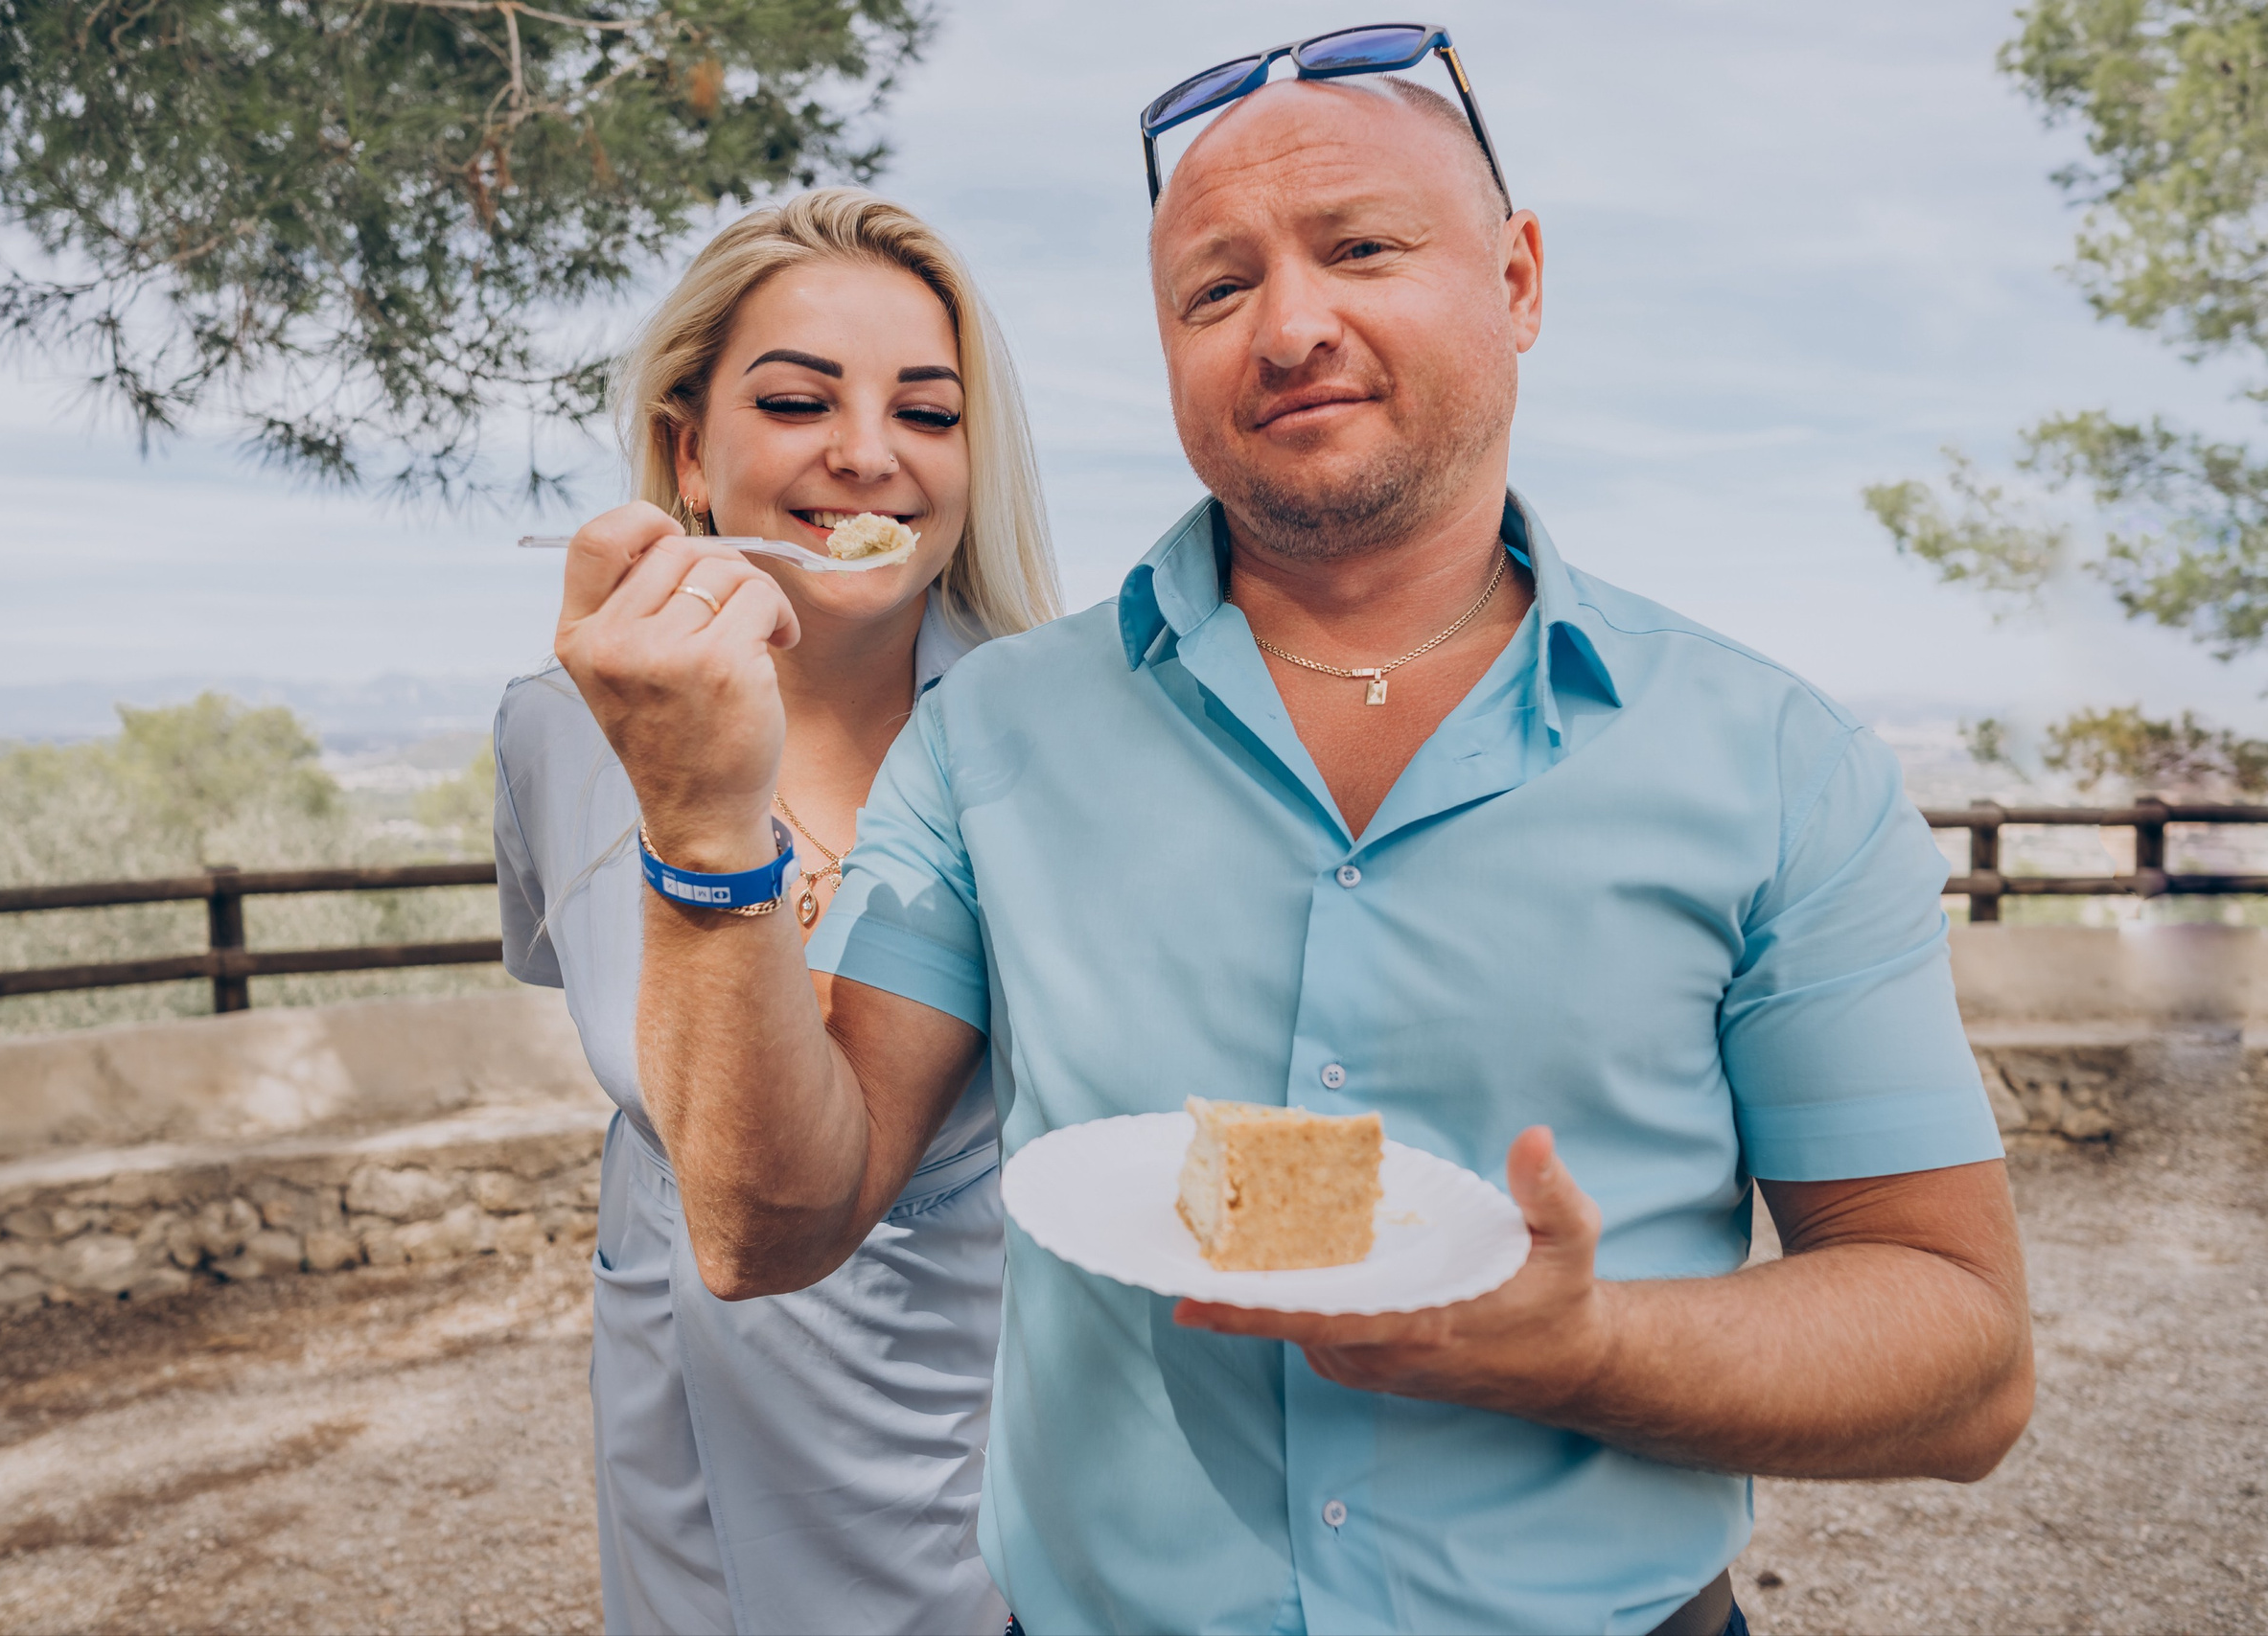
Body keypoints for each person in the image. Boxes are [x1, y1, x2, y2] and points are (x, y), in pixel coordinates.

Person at [553, 38, 2035, 1636]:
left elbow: (1965, 1361)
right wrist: (704, 819)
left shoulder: (1777, 766)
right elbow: (773, 1226)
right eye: (1213, 290)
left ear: (1519, 278)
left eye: (1362, 248)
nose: (1292, 323)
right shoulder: (988, 739)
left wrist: (1589, 1349)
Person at [492, 187, 1057, 1635]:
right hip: (695, 1434)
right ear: (690, 451)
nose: (867, 455)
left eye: (928, 416)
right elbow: (606, 1025)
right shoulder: (558, 731)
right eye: (801, 400)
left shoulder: (1054, 738)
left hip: (989, 1424)